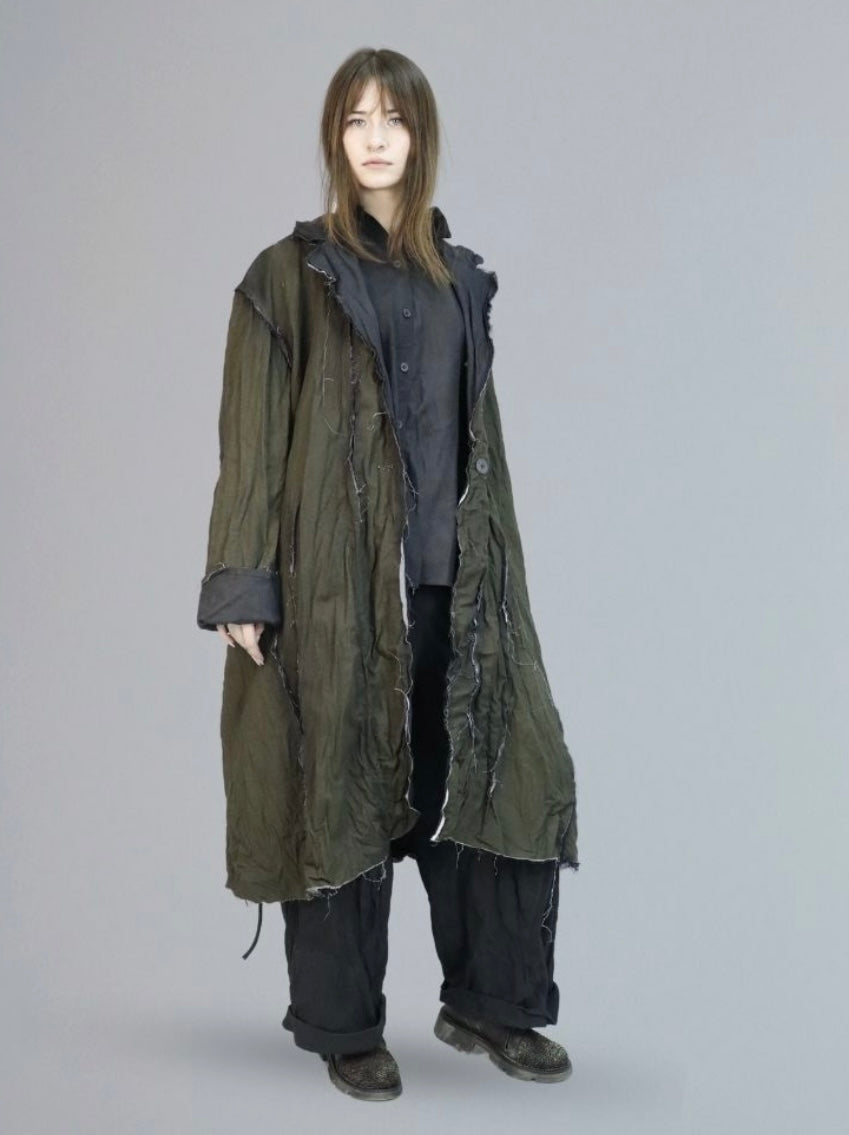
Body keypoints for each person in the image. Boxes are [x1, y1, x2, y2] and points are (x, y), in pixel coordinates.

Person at [196, 47, 579, 1103]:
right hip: (336, 590)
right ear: (335, 136)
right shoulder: (289, 274)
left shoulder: (460, 278)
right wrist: (243, 584)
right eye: (356, 118)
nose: (375, 137)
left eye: (394, 119)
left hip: (456, 584)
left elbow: (475, 443)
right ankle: (345, 1026)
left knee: (496, 775)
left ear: (420, 136)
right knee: (340, 785)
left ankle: (491, 1004)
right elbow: (250, 441)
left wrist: (496, 575)